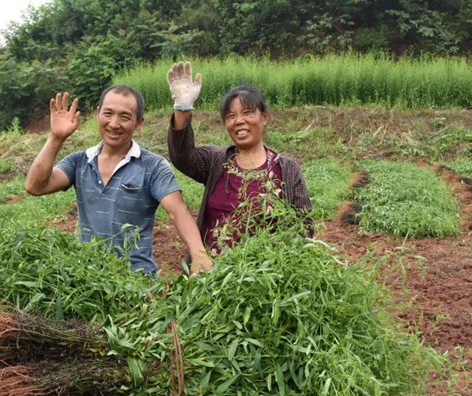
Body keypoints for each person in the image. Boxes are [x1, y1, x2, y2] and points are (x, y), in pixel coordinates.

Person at [25, 85, 212, 276]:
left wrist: (199, 254)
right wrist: (56, 137)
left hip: (136, 282)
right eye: (108, 113)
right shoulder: (79, 161)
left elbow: (176, 210)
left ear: (139, 122)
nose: (114, 124)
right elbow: (34, 186)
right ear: (98, 114)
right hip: (85, 280)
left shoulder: (153, 166)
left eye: (125, 117)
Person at [166, 62, 313, 254]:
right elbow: (183, 157)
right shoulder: (216, 160)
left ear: (264, 117)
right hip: (211, 271)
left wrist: (279, 262)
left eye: (247, 113)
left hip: (263, 276)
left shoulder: (286, 168)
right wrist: (182, 109)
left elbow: (304, 225)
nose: (239, 121)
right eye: (231, 116)